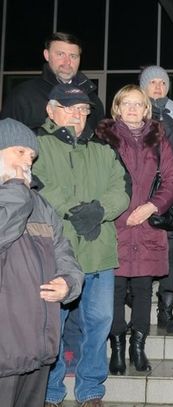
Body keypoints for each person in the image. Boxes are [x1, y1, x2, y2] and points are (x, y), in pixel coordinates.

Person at [30, 84, 128, 407]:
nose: (77, 115)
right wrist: (75, 210)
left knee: (99, 323)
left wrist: (99, 211)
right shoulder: (36, 146)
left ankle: (90, 389)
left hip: (98, 251)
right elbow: (38, 184)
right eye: (70, 108)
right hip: (54, 255)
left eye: (83, 109)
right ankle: (52, 391)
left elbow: (122, 187)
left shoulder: (103, 148)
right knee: (52, 327)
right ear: (51, 110)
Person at [95, 85, 173, 375]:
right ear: (117, 108)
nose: (132, 109)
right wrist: (117, 210)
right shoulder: (103, 138)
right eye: (126, 103)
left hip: (147, 225)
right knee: (115, 290)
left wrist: (153, 206)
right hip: (115, 225)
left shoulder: (158, 139)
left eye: (138, 104)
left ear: (146, 109)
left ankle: (138, 347)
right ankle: (117, 347)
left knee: (144, 289)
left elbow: (171, 179)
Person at [0, 118, 84, 407]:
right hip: (4, 349)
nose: (28, 161)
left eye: (32, 156)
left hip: (37, 348)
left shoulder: (41, 204)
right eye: (19, 152)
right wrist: (15, 190)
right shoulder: (17, 197)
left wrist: (69, 283)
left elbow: (65, 253)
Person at [140, 65, 173, 334]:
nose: (158, 87)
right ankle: (139, 309)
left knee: (171, 253)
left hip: (170, 190)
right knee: (143, 250)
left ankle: (166, 311)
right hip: (140, 192)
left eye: (162, 82)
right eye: (152, 83)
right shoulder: (134, 110)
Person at [0, 32, 104, 133]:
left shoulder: (92, 99)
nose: (67, 62)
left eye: (73, 56)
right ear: (46, 55)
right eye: (60, 54)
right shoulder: (23, 95)